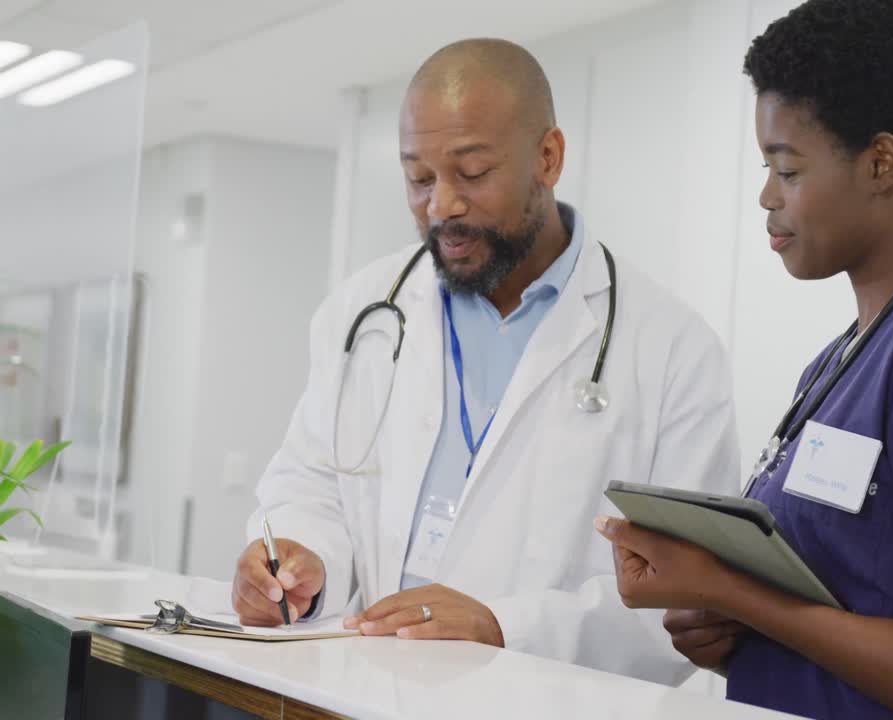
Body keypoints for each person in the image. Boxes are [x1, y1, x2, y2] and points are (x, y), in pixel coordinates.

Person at [231, 38, 738, 684]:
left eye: (471, 173)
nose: (441, 205)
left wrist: (505, 626)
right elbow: (309, 483)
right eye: (419, 179)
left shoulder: (672, 348)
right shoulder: (363, 311)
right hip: (368, 690)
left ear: (548, 157)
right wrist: (300, 561)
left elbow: (688, 598)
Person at [595, 1, 893, 717]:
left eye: (788, 168)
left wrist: (732, 591)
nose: (766, 196)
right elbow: (855, 603)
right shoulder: (840, 362)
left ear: (880, 163)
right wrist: (727, 630)